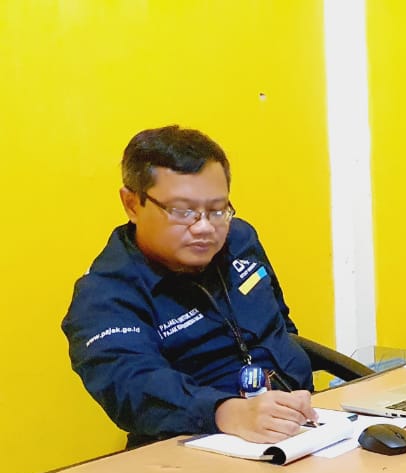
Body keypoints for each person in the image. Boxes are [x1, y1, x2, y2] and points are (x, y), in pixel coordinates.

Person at [62, 126, 317, 447]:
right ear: (132, 204)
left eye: (217, 210)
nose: (204, 227)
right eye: (183, 212)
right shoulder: (105, 294)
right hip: (197, 445)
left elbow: (281, 326)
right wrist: (227, 413)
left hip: (303, 425)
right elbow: (131, 386)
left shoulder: (240, 240)